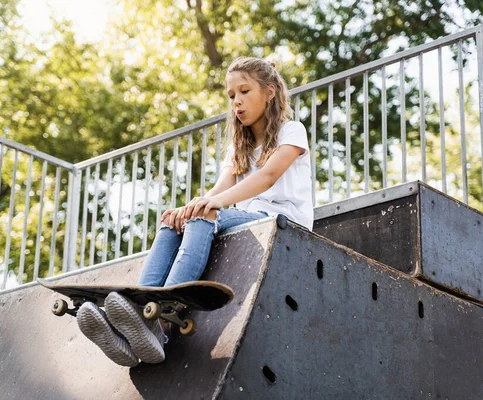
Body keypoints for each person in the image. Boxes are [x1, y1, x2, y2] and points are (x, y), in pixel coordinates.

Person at [76, 56, 313, 367]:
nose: (236, 102)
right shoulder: (239, 147)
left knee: (204, 215)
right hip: (249, 221)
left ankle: (160, 322)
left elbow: (267, 176)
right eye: (231, 96)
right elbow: (218, 190)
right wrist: (188, 209)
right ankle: (138, 314)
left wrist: (209, 206)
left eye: (244, 92)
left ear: (269, 92)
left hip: (284, 224)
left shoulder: (291, 130)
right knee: (175, 222)